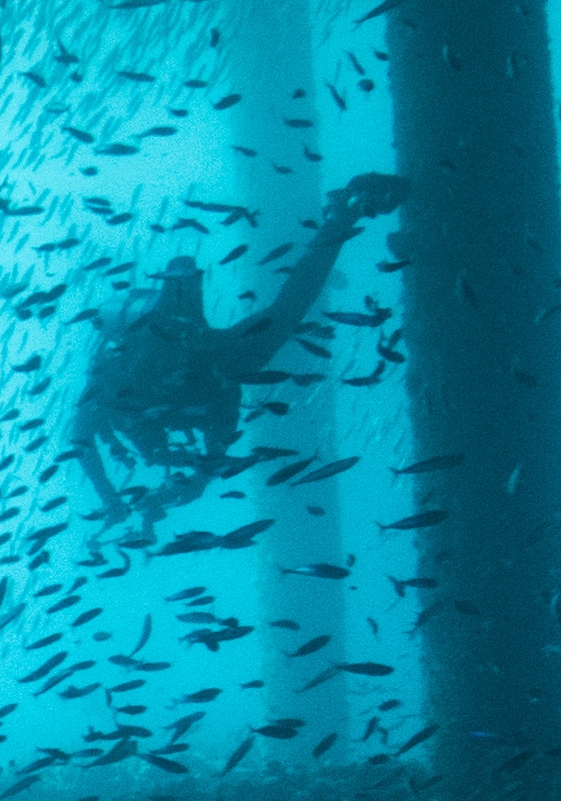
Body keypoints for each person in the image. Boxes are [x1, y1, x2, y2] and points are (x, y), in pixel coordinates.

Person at [69, 170, 405, 531]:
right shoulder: (117, 392)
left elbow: (82, 442)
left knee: (287, 312)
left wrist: (116, 501)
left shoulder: (121, 380)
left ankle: (343, 214)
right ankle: (342, 215)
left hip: (204, 358)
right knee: (287, 312)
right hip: (207, 365)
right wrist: (139, 498)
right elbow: (88, 443)